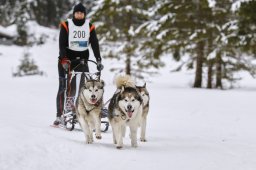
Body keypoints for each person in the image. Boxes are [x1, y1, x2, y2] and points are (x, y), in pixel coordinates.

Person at [53, 2, 104, 125]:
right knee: (63, 87)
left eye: (81, 13)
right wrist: (64, 59)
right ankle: (60, 115)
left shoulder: (89, 27)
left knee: (81, 88)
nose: (79, 15)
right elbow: (62, 44)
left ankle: (77, 112)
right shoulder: (66, 25)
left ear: (84, 15)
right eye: (77, 12)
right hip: (66, 61)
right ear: (74, 13)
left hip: (82, 61)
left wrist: (98, 59)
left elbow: (95, 44)